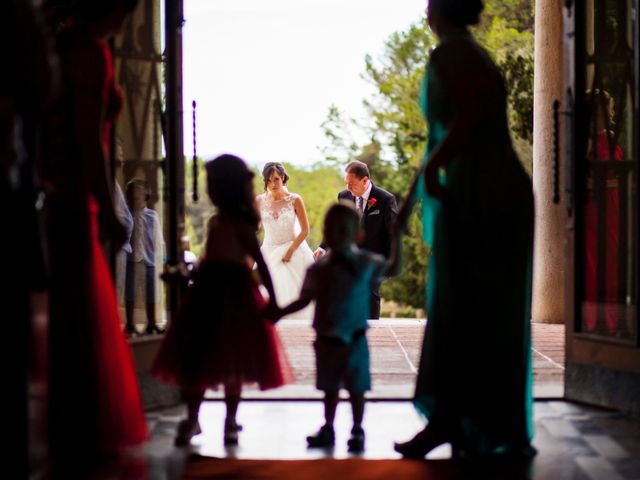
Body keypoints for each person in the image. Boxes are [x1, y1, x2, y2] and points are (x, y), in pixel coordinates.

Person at [393, 0, 535, 459]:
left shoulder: (453, 53)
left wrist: (433, 169)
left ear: (441, 10)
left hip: (482, 193)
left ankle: (453, 420)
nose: (425, 11)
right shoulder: (470, 52)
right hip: (489, 188)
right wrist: (424, 181)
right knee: (483, 311)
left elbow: (470, 115)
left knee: (461, 307)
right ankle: (475, 423)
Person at [44, 0, 148, 474]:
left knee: (71, 309)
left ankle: (69, 426)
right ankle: (82, 426)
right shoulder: (89, 52)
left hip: (66, 187)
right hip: (79, 192)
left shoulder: (63, 45)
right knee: (82, 307)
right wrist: (107, 206)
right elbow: (88, 137)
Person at [152, 154, 293, 447]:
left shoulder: (242, 225)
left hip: (230, 294)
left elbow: (261, 264)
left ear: (223, 189)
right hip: (211, 290)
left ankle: (227, 419)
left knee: (230, 358)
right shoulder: (219, 221)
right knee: (200, 356)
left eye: (212, 184)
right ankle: (194, 418)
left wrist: (274, 302)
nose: (209, 190)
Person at [271, 202, 400, 452]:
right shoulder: (318, 268)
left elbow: (394, 267)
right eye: (332, 229)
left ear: (358, 235)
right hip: (326, 339)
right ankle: (328, 426)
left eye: (344, 230)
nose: (337, 235)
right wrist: (278, 312)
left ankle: (357, 429)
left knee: (356, 388)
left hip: (355, 340)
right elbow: (304, 299)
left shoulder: (365, 263)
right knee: (329, 387)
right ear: (325, 234)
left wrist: (397, 236)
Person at [313, 160, 398, 319]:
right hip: (347, 255)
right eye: (346, 183)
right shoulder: (344, 196)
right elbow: (338, 225)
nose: (348, 188)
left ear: (365, 180)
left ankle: (373, 328)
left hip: (373, 257)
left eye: (351, 184)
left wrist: (389, 259)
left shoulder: (385, 199)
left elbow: (393, 233)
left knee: (370, 294)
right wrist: (323, 247)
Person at [584, 89, 623, 333]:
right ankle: (592, 319)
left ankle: (610, 318)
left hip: (613, 205)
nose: (611, 113)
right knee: (592, 260)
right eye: (608, 108)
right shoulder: (587, 144)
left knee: (610, 258)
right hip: (595, 204)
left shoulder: (610, 139)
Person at [257, 162, 315, 319]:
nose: (273, 184)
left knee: (288, 289)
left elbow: (305, 230)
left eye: (276, 179)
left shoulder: (295, 199)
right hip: (268, 249)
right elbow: (255, 227)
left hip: (292, 249)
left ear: (282, 177)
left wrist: (291, 249)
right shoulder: (260, 201)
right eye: (269, 181)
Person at [124, 177, 165, 335]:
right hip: (131, 259)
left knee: (150, 294)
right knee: (130, 293)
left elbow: (158, 240)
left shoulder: (152, 216)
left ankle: (151, 323)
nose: (133, 198)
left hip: (149, 261)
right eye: (130, 195)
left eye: (136, 195)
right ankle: (129, 324)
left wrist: (162, 259)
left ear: (146, 197)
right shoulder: (127, 215)